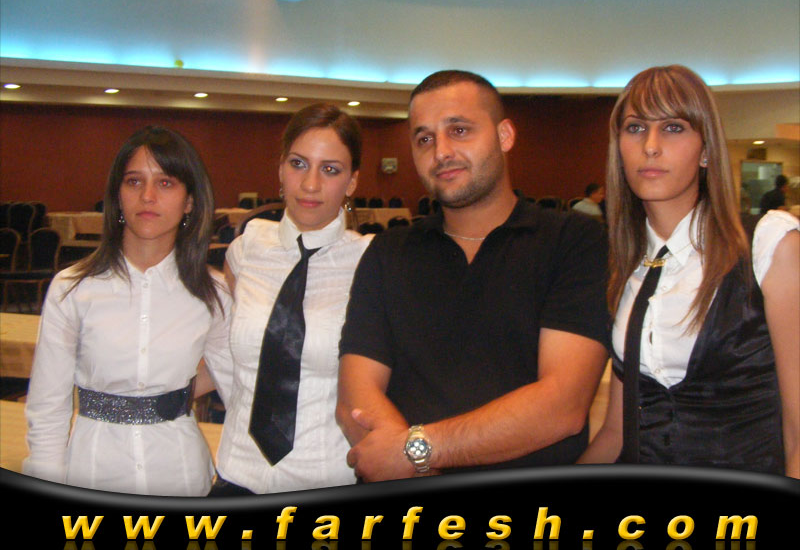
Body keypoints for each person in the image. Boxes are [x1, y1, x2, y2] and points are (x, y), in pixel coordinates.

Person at [336, 70, 610, 481]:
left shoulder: (572, 241)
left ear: (505, 136)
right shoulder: (388, 252)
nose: (441, 152)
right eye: (424, 139)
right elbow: (355, 399)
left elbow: (562, 405)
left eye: (459, 130)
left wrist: (416, 452)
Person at [579, 65, 799, 477]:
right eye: (635, 128)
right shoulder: (624, 270)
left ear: (706, 150)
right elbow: (617, 432)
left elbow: (798, 433)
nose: (650, 146)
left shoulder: (769, 245)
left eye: (673, 128)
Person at [24, 125, 234, 495]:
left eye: (165, 183)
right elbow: (47, 410)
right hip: (93, 471)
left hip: (180, 474)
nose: (148, 196)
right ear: (117, 196)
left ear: (189, 201)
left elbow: (237, 383)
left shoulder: (211, 292)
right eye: (134, 181)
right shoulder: (73, 288)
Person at [210, 103, 372, 495]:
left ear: (352, 181)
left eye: (330, 169)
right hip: (237, 474)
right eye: (298, 164)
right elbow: (228, 353)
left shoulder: (370, 262)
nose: (310, 184)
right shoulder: (246, 249)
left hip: (325, 478)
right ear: (281, 169)